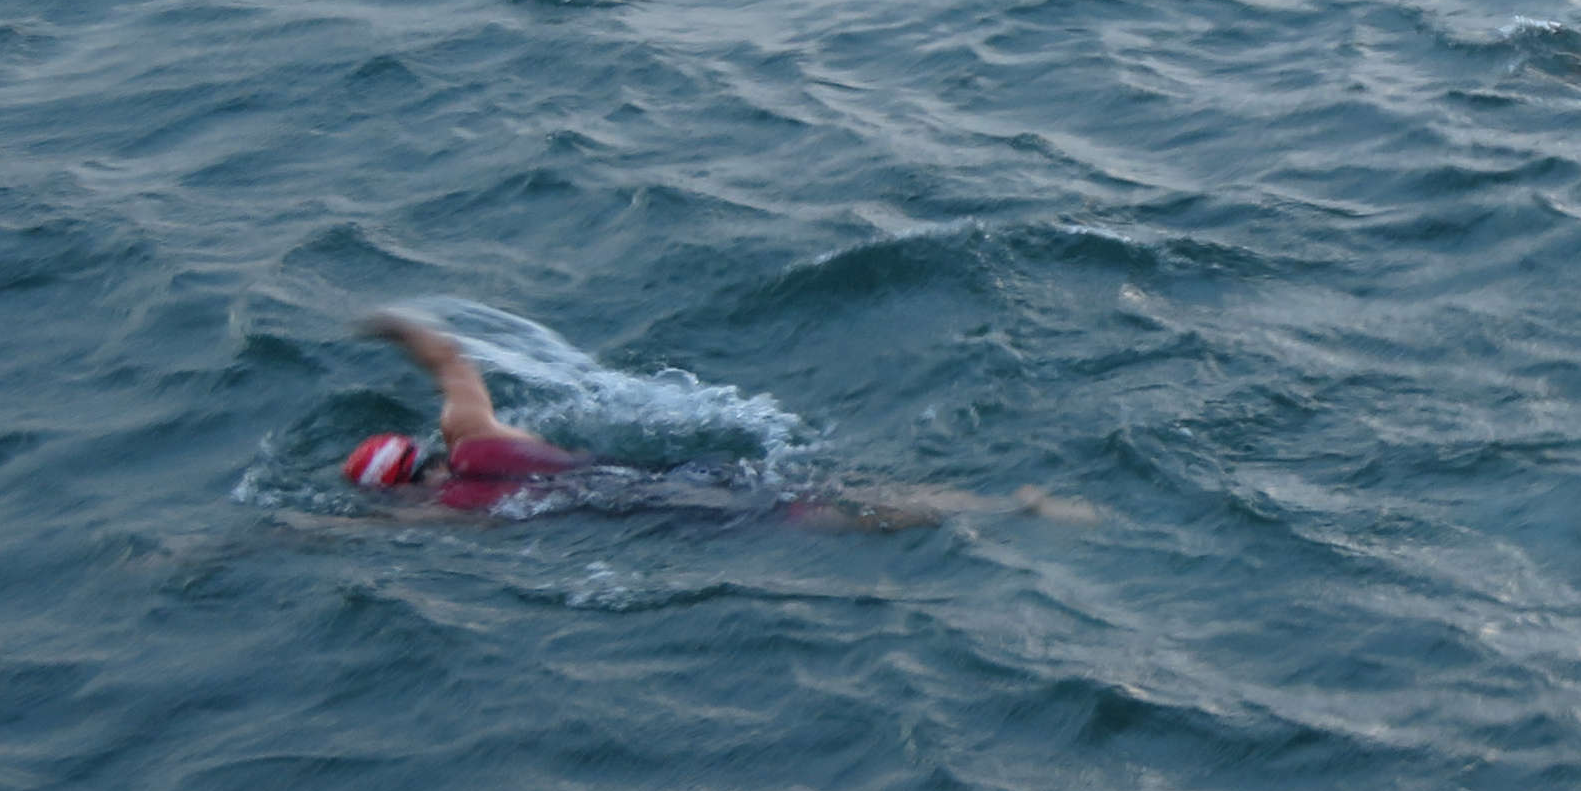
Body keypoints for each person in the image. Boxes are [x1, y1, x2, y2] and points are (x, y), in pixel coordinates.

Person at [344, 314, 1064, 529]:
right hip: (660, 472)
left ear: (401, 486)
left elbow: (347, 534)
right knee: (811, 484)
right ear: (416, 447)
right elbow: (449, 358)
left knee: (810, 513)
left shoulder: (447, 509)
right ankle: (994, 502)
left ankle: (1005, 513)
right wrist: (386, 325)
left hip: (647, 507)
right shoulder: (476, 435)